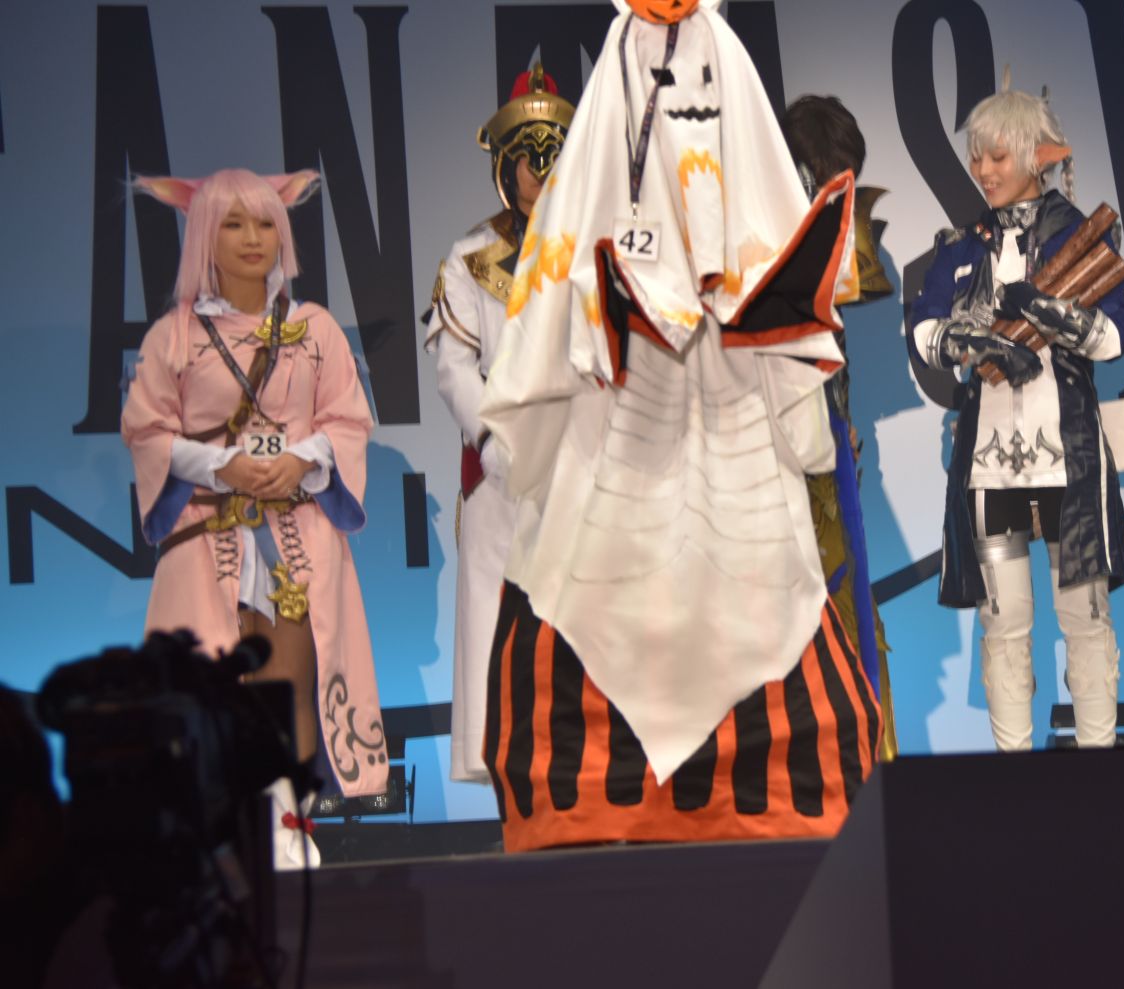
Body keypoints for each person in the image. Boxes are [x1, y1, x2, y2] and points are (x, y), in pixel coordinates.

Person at [474, 0, 880, 851]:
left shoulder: (749, 206)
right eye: (658, 89)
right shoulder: (583, 211)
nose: (680, 116)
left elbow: (796, 357)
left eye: (699, 90)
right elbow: (541, 362)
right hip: (607, 484)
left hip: (742, 494)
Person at [122, 169, 389, 867]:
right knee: (213, 685)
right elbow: (146, 432)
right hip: (207, 535)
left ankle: (291, 824)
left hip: (298, 536)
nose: (252, 238)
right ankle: (222, 831)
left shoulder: (315, 328)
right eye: (234, 224)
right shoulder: (174, 337)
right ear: (204, 235)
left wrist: (302, 460)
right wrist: (221, 466)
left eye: (266, 223)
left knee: (293, 679)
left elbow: (348, 420)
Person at [907, 81, 1124, 751]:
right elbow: (922, 328)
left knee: (1085, 621)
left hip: (1070, 458)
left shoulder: (1083, 234)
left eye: (998, 157)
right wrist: (970, 344)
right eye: (977, 157)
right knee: (1003, 625)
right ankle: (1013, 775)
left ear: (1039, 156)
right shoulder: (963, 245)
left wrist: (1047, 311)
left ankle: (1098, 769)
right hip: (989, 465)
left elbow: (1115, 338)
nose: (983, 170)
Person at [425, 64, 573, 785]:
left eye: (554, 153)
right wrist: (492, 438)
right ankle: (510, 788)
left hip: (583, 463)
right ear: (506, 165)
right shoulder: (468, 259)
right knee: (498, 625)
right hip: (501, 473)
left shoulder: (597, 250)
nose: (539, 171)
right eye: (527, 157)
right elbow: (454, 364)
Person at [780, 93, 899, 761]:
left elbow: (834, 346)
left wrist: (842, 423)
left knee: (849, 617)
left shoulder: (832, 234)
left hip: (829, 448)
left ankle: (865, 772)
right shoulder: (757, 242)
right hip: (770, 458)